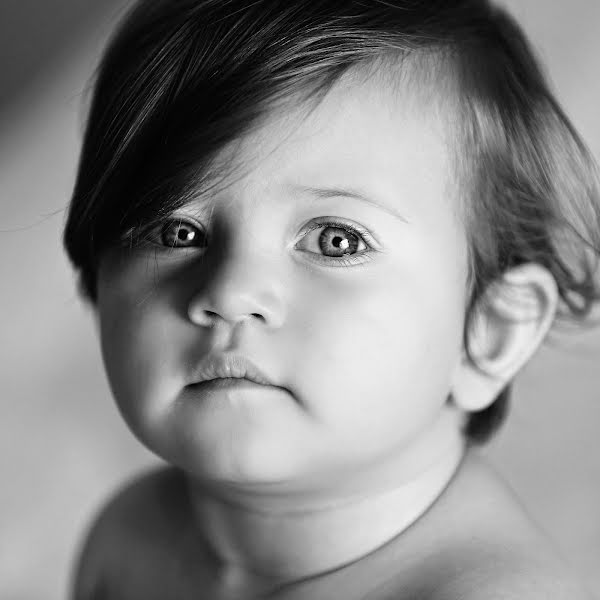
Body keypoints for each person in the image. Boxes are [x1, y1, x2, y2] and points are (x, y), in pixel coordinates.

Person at [63, 1, 600, 598]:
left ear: (490, 331)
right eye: (177, 233)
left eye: (335, 240)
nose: (230, 292)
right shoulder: (130, 537)